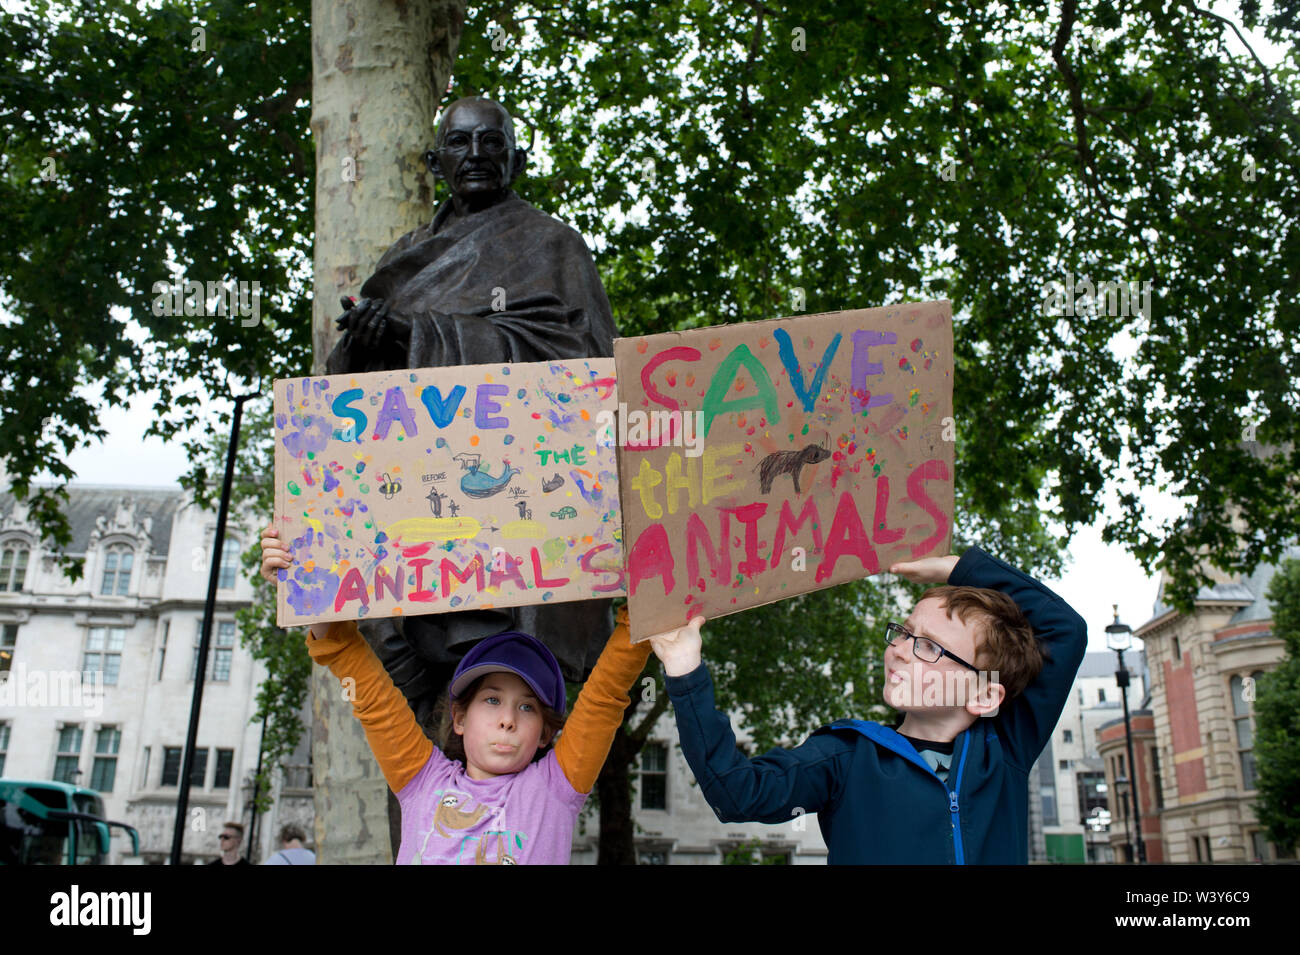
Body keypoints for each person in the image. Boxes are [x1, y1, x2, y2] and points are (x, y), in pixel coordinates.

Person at [322, 95, 620, 734]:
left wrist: (421, 336)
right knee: (421, 754)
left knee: (509, 741)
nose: (478, 155)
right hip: (416, 519)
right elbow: (344, 398)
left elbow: (586, 370)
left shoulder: (552, 245)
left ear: (516, 156)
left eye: (492, 141)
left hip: (516, 523)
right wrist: (371, 339)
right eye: (460, 143)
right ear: (435, 161)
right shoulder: (407, 256)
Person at [647, 546, 1088, 864]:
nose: (899, 649)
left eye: (929, 647)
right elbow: (737, 792)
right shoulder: (847, 756)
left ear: (984, 694)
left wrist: (958, 567)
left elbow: (1065, 628)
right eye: (903, 632)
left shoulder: (1005, 749)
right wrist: (685, 670)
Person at [260, 526, 651, 864]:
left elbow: (605, 694)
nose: (507, 718)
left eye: (528, 706)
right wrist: (305, 583)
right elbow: (371, 696)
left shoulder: (556, 786)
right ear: (460, 718)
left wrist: (654, 596)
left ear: (546, 734)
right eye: (492, 699)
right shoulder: (422, 779)